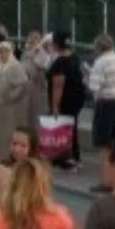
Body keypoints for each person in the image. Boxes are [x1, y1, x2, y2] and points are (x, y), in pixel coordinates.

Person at [87, 35, 115, 165]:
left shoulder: (100, 62)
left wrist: (86, 79)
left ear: (99, 48)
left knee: (104, 142)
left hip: (106, 103)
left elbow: (94, 87)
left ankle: (106, 174)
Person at [0, 40, 30, 163]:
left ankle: (5, 156)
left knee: (5, 133)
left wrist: (12, 96)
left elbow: (23, 85)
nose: (1, 54)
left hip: (7, 108)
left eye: (4, 51)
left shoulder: (15, 66)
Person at [47, 31, 86, 169]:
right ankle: (73, 156)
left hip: (66, 99)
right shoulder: (75, 58)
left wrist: (55, 106)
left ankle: (68, 157)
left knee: (64, 127)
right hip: (77, 97)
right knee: (72, 126)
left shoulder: (60, 62)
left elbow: (58, 85)